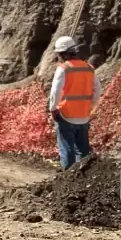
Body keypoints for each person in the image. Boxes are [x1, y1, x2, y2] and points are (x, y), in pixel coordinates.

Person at [48, 34, 100, 169]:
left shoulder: (64, 68)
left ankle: (67, 177)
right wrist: (90, 105)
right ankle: (82, 177)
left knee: (67, 148)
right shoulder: (89, 67)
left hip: (66, 114)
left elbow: (55, 91)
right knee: (82, 150)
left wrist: (53, 108)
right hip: (83, 115)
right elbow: (97, 90)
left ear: (63, 53)